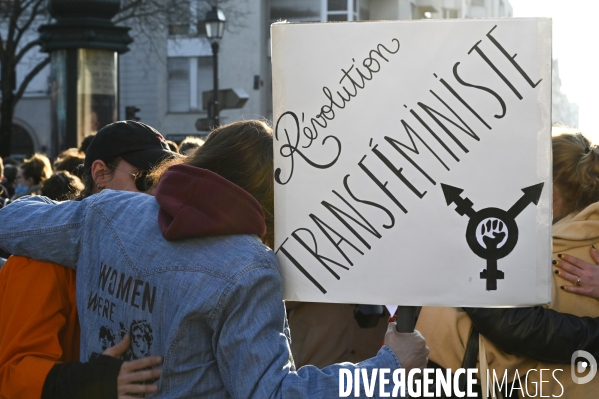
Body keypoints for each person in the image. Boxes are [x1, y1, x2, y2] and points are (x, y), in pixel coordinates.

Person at [0, 120, 429, 398]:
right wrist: (388, 367)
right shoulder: (248, 266)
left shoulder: (112, 210)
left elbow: (13, 222)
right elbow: (274, 394)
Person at [0, 120, 178, 399]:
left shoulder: (161, 255)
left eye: (164, 181)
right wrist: (93, 383)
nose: (155, 195)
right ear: (100, 174)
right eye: (145, 179)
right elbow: (13, 377)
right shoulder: (42, 258)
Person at [416, 132, 599, 398]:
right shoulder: (561, 240)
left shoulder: (541, 246)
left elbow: (510, 324)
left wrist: (463, 260)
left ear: (550, 188)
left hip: (458, 375)